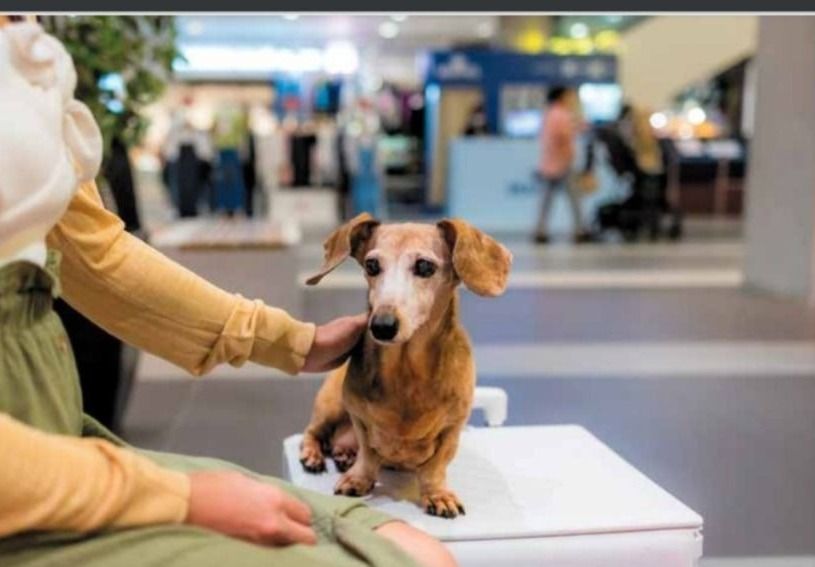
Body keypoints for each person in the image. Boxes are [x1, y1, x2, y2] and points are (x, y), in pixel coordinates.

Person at [0, 18, 455, 567]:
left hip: (51, 432)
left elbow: (93, 253)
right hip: (23, 480)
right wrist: (180, 497)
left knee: (417, 547)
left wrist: (292, 341)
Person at [534, 86, 591, 244]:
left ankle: (540, 230)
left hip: (548, 163)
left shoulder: (549, 113)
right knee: (574, 198)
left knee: (546, 200)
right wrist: (569, 158)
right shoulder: (562, 115)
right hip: (562, 163)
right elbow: (563, 138)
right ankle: (580, 230)